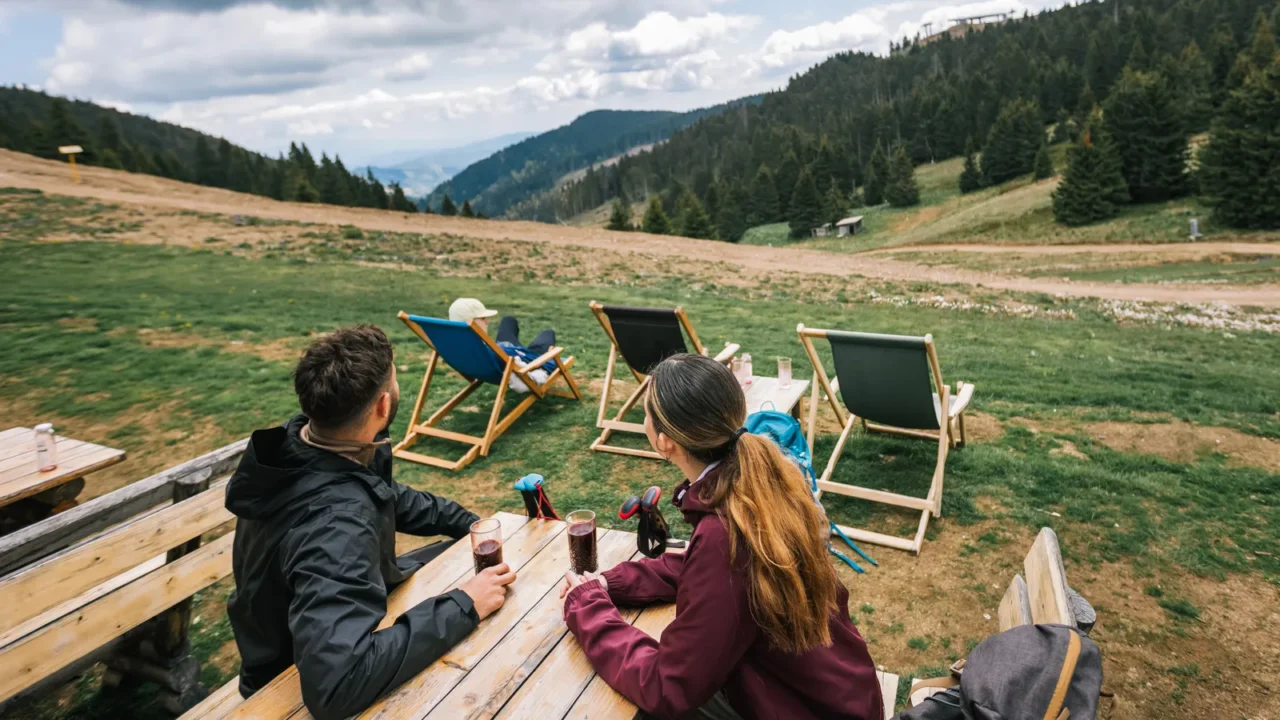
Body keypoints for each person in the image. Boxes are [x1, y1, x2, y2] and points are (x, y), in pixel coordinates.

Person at [560, 353, 883, 720]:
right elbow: (707, 571)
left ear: (665, 442)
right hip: (838, 695)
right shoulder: (761, 483)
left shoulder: (725, 532)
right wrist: (608, 582)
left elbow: (671, 685)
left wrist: (588, 609)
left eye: (646, 413)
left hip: (798, 706)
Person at [225, 325, 516, 720]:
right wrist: (466, 605)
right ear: (382, 405)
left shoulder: (310, 446)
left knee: (454, 555)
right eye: (396, 381)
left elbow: (385, 495)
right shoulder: (336, 527)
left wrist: (468, 523)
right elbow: (337, 685)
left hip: (306, 634)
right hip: (284, 683)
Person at [448, 297, 556, 391]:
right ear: (471, 322)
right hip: (513, 356)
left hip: (501, 352)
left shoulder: (455, 345)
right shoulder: (493, 351)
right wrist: (552, 357)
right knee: (548, 334)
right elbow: (544, 364)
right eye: (483, 318)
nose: (487, 321)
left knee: (508, 320)